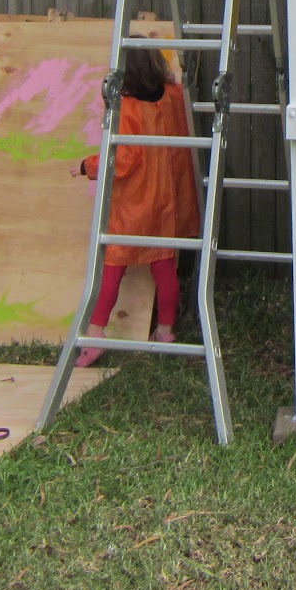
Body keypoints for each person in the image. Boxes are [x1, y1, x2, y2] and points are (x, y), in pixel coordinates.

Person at [73, 40, 200, 365]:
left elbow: (123, 159)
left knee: (114, 266)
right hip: (168, 202)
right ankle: (166, 331)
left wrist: (88, 166)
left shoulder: (127, 108)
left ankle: (96, 334)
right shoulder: (172, 98)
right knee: (165, 266)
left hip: (135, 205)